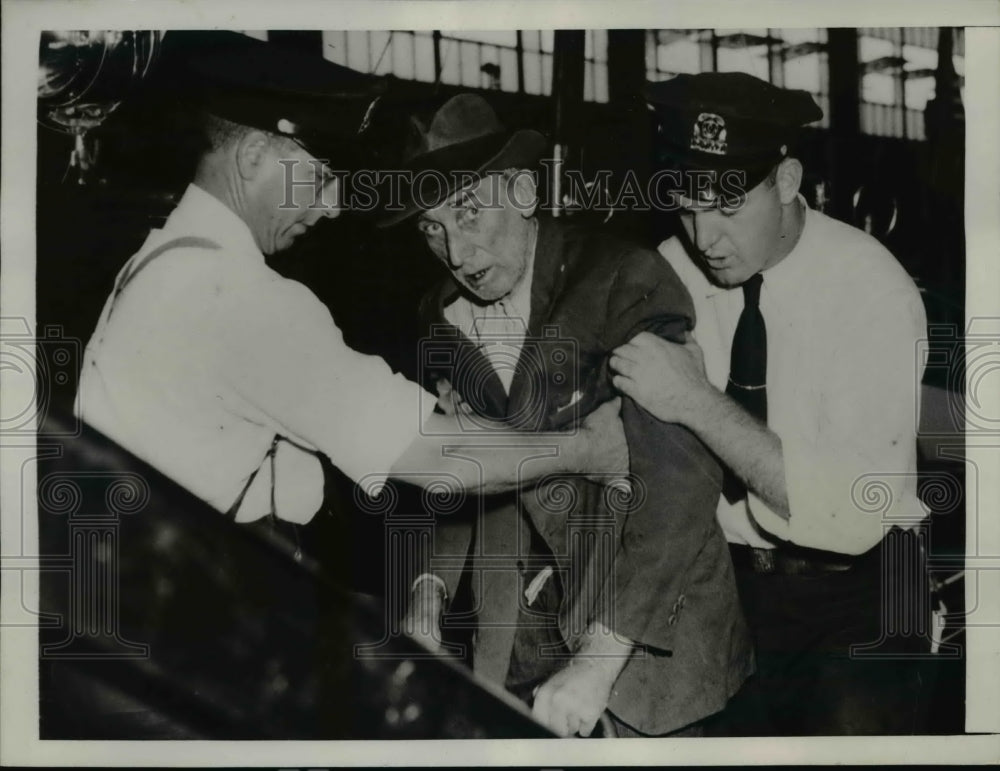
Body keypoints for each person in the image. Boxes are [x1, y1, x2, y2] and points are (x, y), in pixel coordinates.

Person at [76, 32, 626, 533]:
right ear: (251, 156)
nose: (333, 206)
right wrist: (588, 449)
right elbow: (444, 460)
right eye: (319, 176)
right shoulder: (242, 301)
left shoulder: (159, 259)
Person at [386, 93, 752, 738]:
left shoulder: (622, 279)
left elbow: (680, 484)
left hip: (642, 629)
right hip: (515, 633)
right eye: (431, 227)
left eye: (469, 215)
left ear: (524, 193)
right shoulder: (438, 314)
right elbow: (452, 472)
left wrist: (598, 660)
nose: (456, 252)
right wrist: (428, 590)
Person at [610, 71, 932, 735]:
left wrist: (697, 401)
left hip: (861, 590)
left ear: (786, 181)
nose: (706, 237)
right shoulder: (672, 270)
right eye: (689, 205)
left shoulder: (872, 292)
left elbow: (851, 515)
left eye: (728, 208)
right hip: (729, 584)